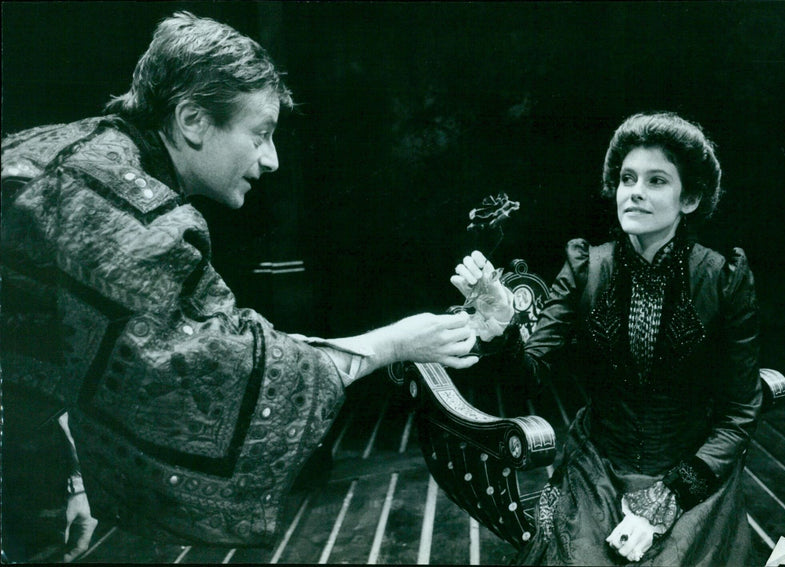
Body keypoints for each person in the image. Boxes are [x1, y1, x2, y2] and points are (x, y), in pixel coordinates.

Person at [0, 11, 481, 559]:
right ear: (192, 119)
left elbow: (50, 339)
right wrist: (393, 344)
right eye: (260, 134)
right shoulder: (123, 210)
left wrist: (68, 473)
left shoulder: (71, 152)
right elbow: (221, 370)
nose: (271, 160)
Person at [451, 112, 762, 565]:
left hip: (692, 474)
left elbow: (740, 410)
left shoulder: (722, 278)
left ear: (689, 198)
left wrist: (667, 499)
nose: (634, 191)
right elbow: (530, 376)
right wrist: (501, 328)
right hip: (595, 469)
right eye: (626, 178)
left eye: (657, 180)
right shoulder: (585, 267)